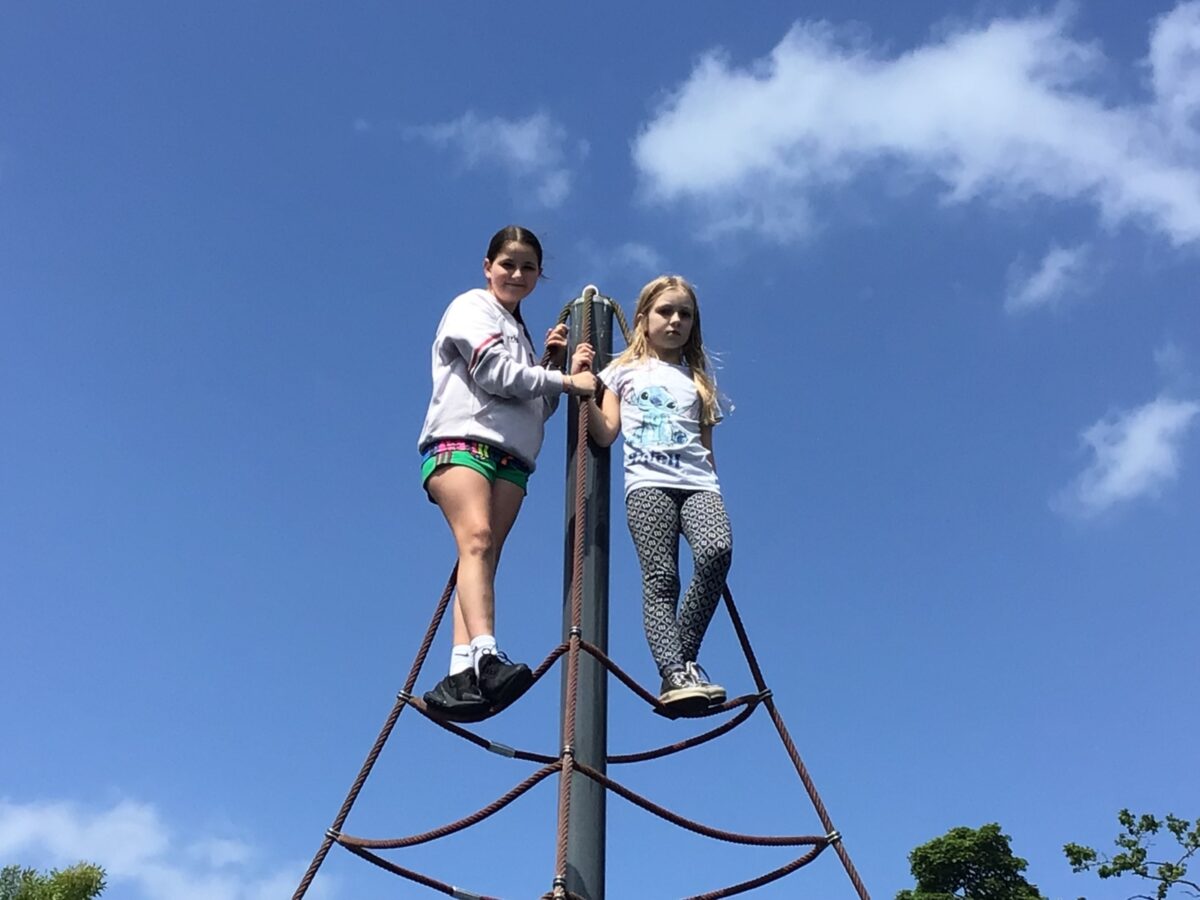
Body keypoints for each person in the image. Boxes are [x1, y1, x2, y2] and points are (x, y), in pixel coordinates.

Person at [418, 225, 596, 718]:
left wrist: (552, 365)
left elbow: (534, 408)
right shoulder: (472, 307)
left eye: (528, 268)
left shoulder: (519, 332)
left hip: (513, 457)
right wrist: (566, 380)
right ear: (488, 266)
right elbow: (493, 374)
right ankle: (487, 656)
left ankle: (460, 674)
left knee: (483, 556)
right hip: (465, 442)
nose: (517, 274)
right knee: (476, 540)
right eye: (508, 264)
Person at [582, 275, 733, 715]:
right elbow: (605, 433)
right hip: (648, 484)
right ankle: (674, 670)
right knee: (662, 578)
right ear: (644, 319)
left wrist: (715, 491)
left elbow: (707, 450)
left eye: (685, 314)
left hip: (699, 484)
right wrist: (584, 391)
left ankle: (682, 657)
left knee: (716, 551)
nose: (675, 320)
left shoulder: (699, 382)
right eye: (666, 311)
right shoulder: (622, 372)